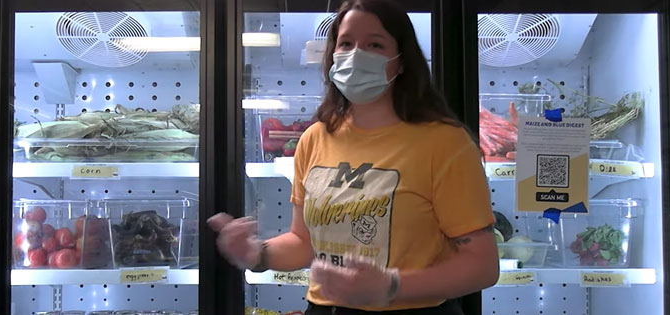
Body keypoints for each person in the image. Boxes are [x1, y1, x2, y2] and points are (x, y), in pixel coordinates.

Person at [209, 0, 499, 313]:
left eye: (375, 44)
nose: (356, 55)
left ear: (401, 61)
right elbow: (304, 243)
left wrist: (391, 286)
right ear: (333, 55)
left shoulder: (444, 144)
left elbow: (481, 265)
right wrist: (257, 253)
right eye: (346, 43)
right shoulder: (315, 138)